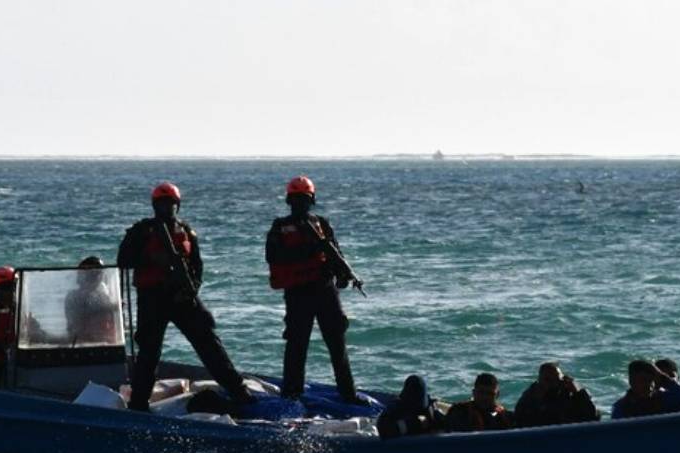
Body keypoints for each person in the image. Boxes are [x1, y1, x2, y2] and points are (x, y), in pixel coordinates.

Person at [117, 181, 253, 411]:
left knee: (209, 343)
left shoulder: (187, 231)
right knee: (149, 352)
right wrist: (153, 260)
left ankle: (239, 391)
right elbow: (124, 260)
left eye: (170, 203)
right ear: (154, 205)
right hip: (152, 298)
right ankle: (139, 403)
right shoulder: (142, 231)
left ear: (177, 205)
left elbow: (196, 267)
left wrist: (191, 289)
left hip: (182, 297)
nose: (166, 208)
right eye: (161, 203)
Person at [265, 175, 359, 402]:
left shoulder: (322, 224)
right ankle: (291, 394)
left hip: (325, 290)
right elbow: (273, 257)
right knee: (297, 345)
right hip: (298, 293)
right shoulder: (280, 227)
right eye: (296, 199)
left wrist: (342, 275)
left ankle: (348, 393)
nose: (300, 204)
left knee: (337, 343)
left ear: (312, 200)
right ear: (289, 201)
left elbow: (336, 253)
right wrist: (309, 249)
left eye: (305, 199)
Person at [513, 362, 600, 427]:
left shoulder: (571, 395)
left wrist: (579, 392)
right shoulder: (529, 399)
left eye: (557, 379)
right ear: (540, 381)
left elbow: (594, 417)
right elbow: (520, 422)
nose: (553, 384)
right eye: (548, 380)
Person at [611, 359, 680, 419]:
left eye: (651, 380)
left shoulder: (662, 398)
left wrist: (663, 377)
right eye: (643, 380)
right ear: (631, 381)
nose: (648, 385)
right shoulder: (622, 407)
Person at [64, 255, 118, 346]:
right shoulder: (74, 296)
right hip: (82, 343)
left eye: (100, 273)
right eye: (97, 273)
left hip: (105, 342)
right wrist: (112, 307)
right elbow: (86, 313)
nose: (100, 276)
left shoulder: (102, 295)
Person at [376, 375, 447, 439]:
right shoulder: (395, 409)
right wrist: (414, 423)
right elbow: (383, 429)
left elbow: (447, 425)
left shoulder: (430, 409)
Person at [444, 373, 514, 432]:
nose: (485, 397)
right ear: (474, 393)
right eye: (481, 392)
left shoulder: (506, 417)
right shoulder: (459, 412)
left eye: (490, 394)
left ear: (497, 394)